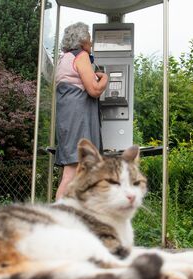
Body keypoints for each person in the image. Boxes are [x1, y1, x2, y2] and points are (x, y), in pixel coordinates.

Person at [54, 22, 109, 200]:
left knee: (72, 172)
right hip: (79, 119)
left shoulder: (65, 58)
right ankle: (60, 218)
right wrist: (105, 78)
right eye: (89, 39)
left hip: (68, 119)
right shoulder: (81, 56)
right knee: (72, 172)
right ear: (82, 40)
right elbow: (93, 90)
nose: (91, 43)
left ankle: (69, 215)